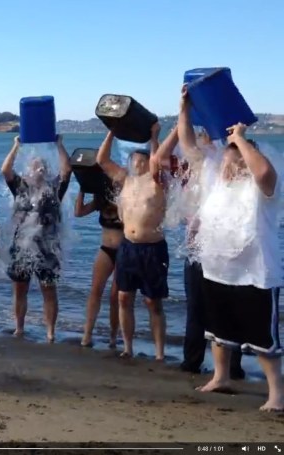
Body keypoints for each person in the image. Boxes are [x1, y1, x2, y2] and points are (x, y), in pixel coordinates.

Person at [177, 89, 278, 411]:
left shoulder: (262, 190)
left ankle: (277, 394)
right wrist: (184, 108)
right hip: (218, 268)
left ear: (244, 161)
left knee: (263, 338)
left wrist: (242, 141)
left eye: (229, 159)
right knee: (218, 331)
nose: (222, 164)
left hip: (255, 273)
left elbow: (264, 173)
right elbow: (189, 145)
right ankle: (221, 377)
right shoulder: (216, 181)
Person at [95, 123, 177, 359]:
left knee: (153, 302)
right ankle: (127, 347)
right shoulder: (125, 180)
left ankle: (160, 353)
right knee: (123, 297)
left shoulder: (157, 181)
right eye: (134, 159)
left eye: (142, 159)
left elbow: (159, 161)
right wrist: (112, 130)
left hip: (152, 248)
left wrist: (154, 139)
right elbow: (102, 160)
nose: (138, 163)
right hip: (128, 247)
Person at [175, 126, 245, 379]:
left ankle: (232, 368)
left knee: (228, 310)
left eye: (206, 137)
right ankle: (192, 362)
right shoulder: (196, 172)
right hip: (196, 253)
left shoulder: (227, 175)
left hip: (224, 254)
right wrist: (184, 109)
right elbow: (182, 146)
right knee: (196, 309)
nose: (202, 142)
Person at [1, 135, 71, 343]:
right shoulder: (20, 187)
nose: (38, 170)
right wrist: (16, 146)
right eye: (34, 167)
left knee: (48, 290)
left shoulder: (54, 189)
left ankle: (50, 332)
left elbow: (67, 171)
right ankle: (19, 328)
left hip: (47, 249)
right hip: (21, 246)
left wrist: (60, 145)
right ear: (28, 171)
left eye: (41, 167)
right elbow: (5, 170)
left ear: (47, 172)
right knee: (19, 289)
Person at [75, 186, 122, 349]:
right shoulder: (101, 199)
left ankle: (113, 337)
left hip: (124, 251)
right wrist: (83, 187)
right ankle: (87, 334)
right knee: (95, 291)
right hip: (106, 249)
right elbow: (79, 212)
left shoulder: (127, 197)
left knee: (115, 296)